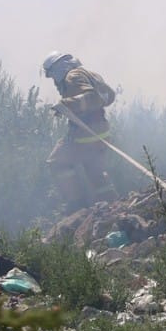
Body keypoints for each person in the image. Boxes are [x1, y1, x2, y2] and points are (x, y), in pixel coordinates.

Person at [41, 51, 117, 211]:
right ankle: (112, 206)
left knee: (57, 162)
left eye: (53, 75)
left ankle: (76, 204)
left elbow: (91, 98)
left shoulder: (72, 76)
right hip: (101, 129)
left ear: (58, 69)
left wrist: (66, 104)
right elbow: (109, 96)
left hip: (85, 134)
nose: (54, 81)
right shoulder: (91, 74)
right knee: (95, 171)